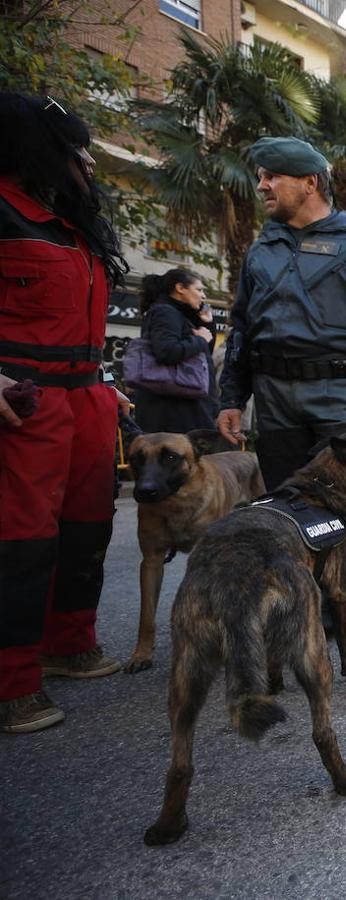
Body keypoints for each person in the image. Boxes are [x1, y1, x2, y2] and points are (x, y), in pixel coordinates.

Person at [216, 136, 346, 661]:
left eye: (272, 176)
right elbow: (241, 329)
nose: (260, 185)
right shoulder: (261, 249)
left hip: (341, 393)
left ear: (309, 183)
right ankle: (319, 613)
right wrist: (231, 396)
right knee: (291, 510)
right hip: (276, 397)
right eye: (260, 176)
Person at [0, 93, 131, 733]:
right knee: (21, 541)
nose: (86, 162)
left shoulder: (73, 227)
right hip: (22, 404)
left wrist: (102, 384)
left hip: (85, 399)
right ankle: (11, 685)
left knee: (86, 528)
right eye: (74, 150)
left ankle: (67, 644)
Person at [131, 268, 218, 434]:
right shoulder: (165, 312)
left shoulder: (177, 314)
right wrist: (200, 339)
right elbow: (167, 351)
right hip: (173, 412)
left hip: (180, 408)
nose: (203, 296)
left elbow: (202, 355)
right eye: (199, 289)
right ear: (180, 288)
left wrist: (206, 324)